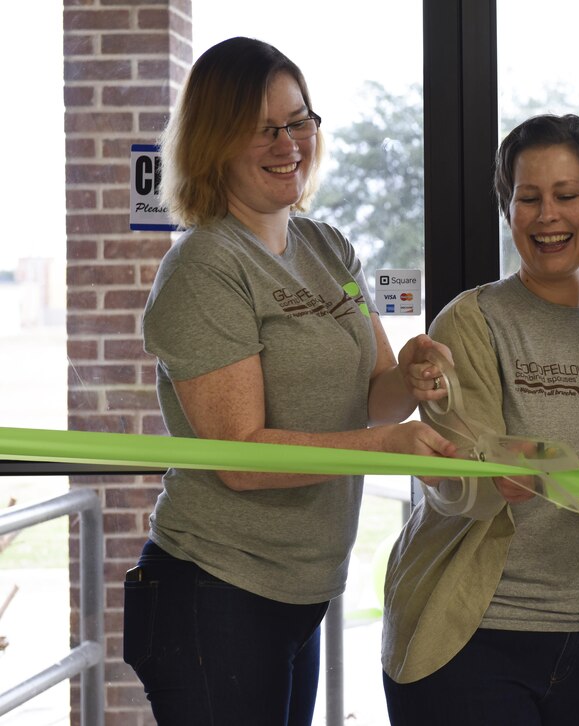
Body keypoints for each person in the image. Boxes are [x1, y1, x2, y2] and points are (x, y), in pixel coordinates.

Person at [122, 36, 456, 726]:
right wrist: (388, 447)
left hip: (301, 590)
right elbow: (242, 458)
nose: (289, 144)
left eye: (299, 121)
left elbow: (372, 391)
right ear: (215, 141)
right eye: (262, 128)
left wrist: (413, 370)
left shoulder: (328, 246)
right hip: (215, 590)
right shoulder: (206, 267)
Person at [381, 114, 579, 726]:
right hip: (469, 636)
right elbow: (464, 478)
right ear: (507, 208)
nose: (548, 216)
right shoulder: (467, 322)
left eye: (568, 196)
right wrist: (506, 472)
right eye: (529, 198)